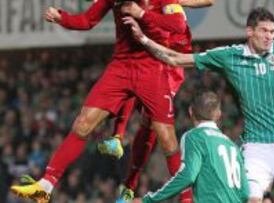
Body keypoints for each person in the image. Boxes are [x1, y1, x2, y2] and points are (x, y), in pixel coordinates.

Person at [123, 1, 274, 202]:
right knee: (250, 199)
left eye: (272, 31)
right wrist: (143, 39)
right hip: (256, 146)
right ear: (249, 31)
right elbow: (176, 58)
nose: (269, 36)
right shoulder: (230, 56)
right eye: (264, 31)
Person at [10, 0, 192, 202]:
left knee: (167, 139)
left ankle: (187, 199)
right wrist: (62, 18)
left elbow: (178, 24)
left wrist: (141, 14)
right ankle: (45, 186)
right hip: (121, 67)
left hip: (153, 67)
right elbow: (87, 20)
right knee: (82, 123)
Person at [95, 0, 214, 200]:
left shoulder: (167, 5)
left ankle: (132, 184)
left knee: (150, 124)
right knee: (130, 77)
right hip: (150, 53)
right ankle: (119, 142)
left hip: (171, 60)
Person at [133, 91, 249, 203]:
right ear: (218, 115)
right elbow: (245, 192)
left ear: (190, 111)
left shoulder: (194, 137)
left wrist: (149, 199)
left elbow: (188, 176)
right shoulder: (232, 145)